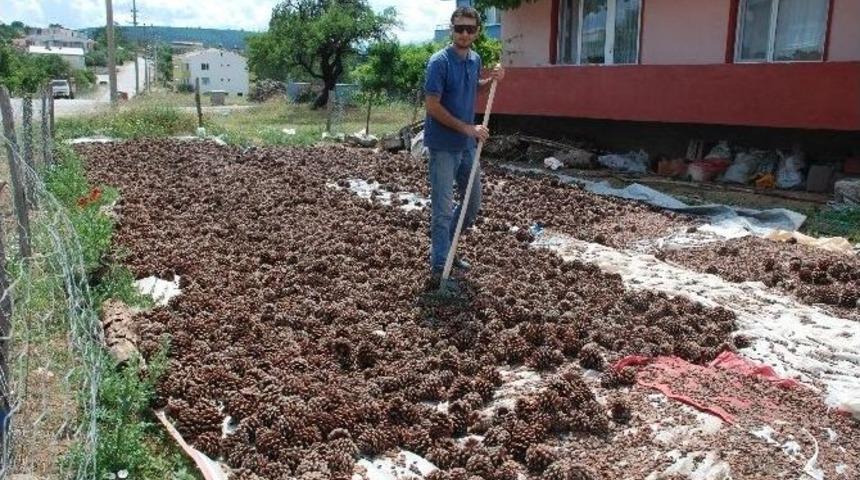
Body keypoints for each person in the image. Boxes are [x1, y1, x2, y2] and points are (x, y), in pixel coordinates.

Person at [423, 6, 505, 289]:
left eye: (470, 29)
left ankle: (448, 248)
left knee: (471, 206)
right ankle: (439, 266)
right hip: (444, 146)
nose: (464, 34)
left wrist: (490, 80)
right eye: (460, 28)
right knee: (443, 210)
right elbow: (432, 105)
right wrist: (468, 128)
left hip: (467, 145)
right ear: (451, 29)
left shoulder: (474, 59)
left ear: (477, 32)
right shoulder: (439, 62)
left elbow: (472, 87)